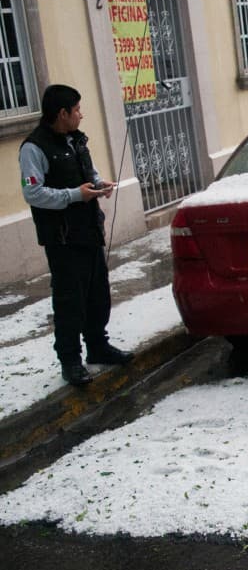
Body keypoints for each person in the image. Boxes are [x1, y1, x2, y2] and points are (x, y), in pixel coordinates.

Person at [20, 84, 133, 386]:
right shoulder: (34, 148)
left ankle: (98, 346)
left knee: (98, 295)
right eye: (77, 110)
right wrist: (74, 195)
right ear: (62, 113)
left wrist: (98, 185)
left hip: (89, 231)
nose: (81, 115)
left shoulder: (77, 140)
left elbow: (88, 173)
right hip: (63, 239)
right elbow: (33, 192)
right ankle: (70, 360)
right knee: (70, 301)